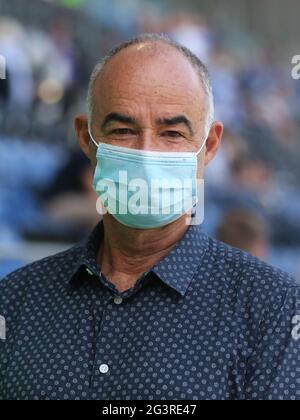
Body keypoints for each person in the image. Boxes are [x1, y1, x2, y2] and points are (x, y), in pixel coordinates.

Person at [0, 34, 299, 401]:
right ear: (85, 138)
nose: (145, 153)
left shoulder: (274, 313)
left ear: (208, 147)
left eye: (172, 133)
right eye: (122, 130)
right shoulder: (13, 303)